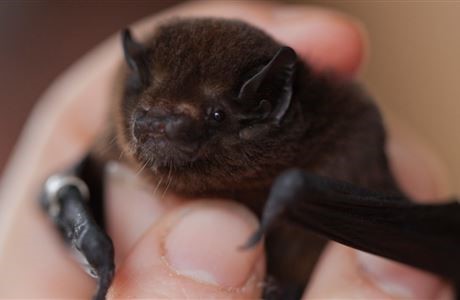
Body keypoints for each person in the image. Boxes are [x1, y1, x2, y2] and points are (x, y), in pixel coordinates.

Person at [0, 1, 453, 298]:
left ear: (271, 105)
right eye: (148, 105)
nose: (157, 126)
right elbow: (59, 192)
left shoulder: (343, 135)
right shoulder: (106, 151)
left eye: (214, 117)